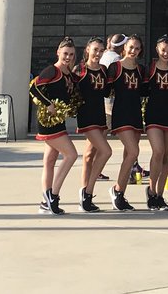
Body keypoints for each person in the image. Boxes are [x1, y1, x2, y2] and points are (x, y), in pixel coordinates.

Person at [29, 37, 80, 215]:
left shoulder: (70, 75)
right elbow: (34, 88)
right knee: (71, 155)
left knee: (50, 161)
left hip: (59, 121)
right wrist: (48, 104)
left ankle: (45, 202)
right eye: (65, 53)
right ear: (58, 52)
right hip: (49, 122)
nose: (68, 57)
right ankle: (53, 196)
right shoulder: (52, 70)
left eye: (71, 54)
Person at [106, 34, 146, 212]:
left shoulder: (141, 70)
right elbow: (105, 90)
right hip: (121, 114)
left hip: (136, 115)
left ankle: (120, 194)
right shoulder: (115, 67)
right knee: (134, 152)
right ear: (124, 48)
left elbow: (145, 91)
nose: (133, 51)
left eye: (137, 48)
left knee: (128, 156)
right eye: (131, 47)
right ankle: (116, 190)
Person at [74, 38, 113, 213]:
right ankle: (88, 192)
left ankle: (84, 195)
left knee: (89, 155)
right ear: (88, 49)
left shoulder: (103, 70)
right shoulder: (79, 69)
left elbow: (107, 91)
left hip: (100, 116)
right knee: (106, 151)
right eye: (95, 49)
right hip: (86, 117)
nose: (98, 53)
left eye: (101, 50)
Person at [144, 35, 168, 211]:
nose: (166, 53)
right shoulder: (149, 68)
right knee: (158, 151)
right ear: (157, 50)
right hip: (153, 115)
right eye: (163, 50)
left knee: (165, 156)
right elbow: (143, 89)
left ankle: (159, 196)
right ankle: (151, 191)